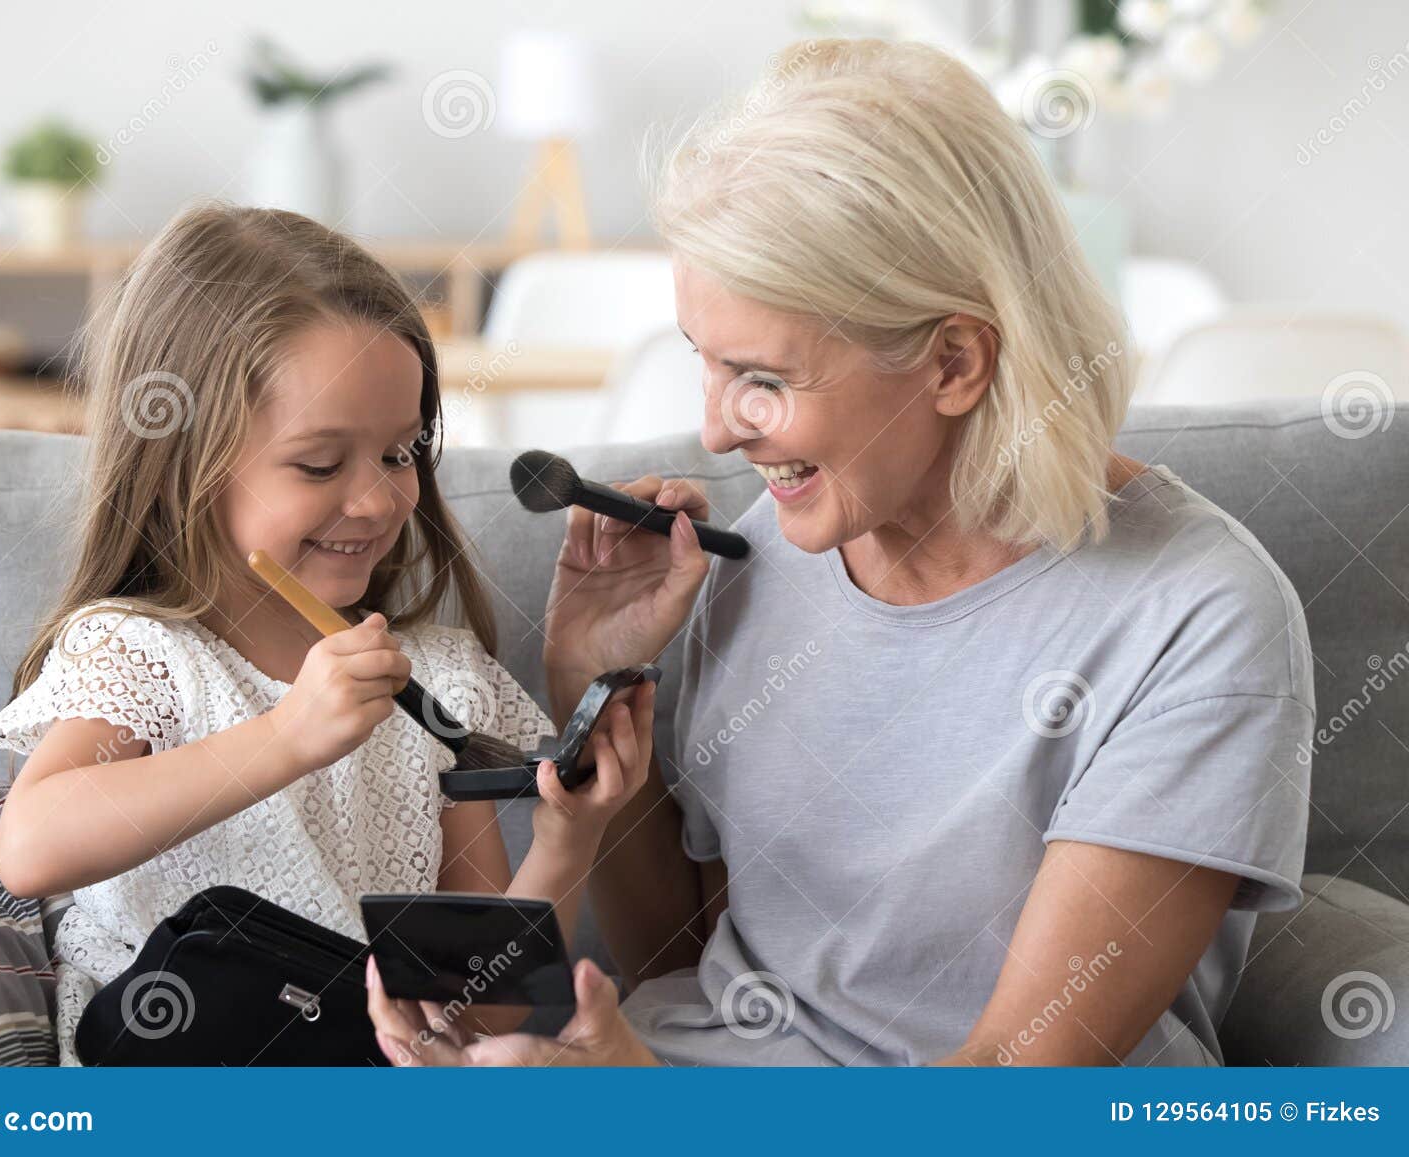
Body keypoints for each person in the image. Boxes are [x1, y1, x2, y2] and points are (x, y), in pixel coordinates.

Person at [366, 38, 1313, 1068]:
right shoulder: (772, 552)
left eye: (762, 376)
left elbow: (1022, 1077)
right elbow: (700, 959)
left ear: (953, 359)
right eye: (704, 363)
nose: (718, 432)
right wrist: (595, 686)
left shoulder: (1194, 618)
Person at [0, 202, 654, 1066]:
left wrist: (571, 839)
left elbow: (476, 1018)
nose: (376, 502)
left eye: (402, 453)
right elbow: (32, 846)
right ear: (187, 458)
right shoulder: (140, 651)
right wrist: (286, 734)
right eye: (319, 464)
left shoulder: (434, 678)